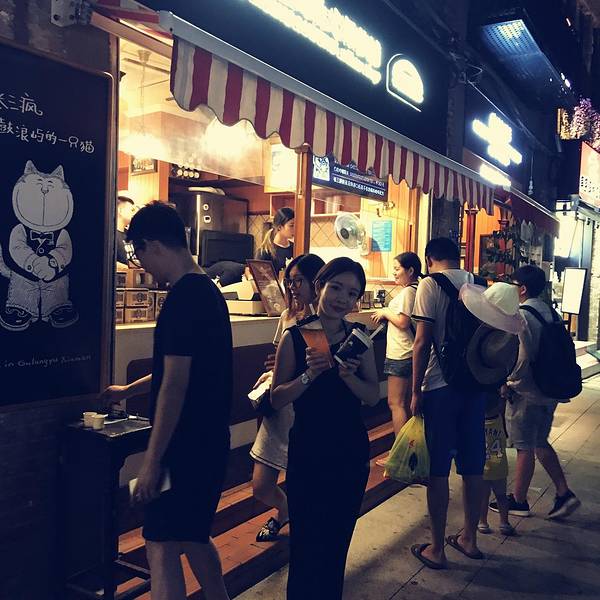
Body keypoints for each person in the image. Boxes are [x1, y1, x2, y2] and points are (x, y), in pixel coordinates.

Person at [100, 202, 231, 600]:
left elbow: (175, 385)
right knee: (192, 536)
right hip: (210, 442)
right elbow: (178, 370)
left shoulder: (182, 299)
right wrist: (128, 391)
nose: (141, 264)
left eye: (139, 253)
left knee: (159, 544)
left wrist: (152, 461)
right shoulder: (208, 291)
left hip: (183, 447)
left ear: (153, 245)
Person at [271, 258, 379, 599]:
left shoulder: (358, 339)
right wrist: (309, 375)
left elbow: (372, 396)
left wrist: (347, 376)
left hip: (349, 454)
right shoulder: (298, 336)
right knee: (305, 547)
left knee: (335, 547)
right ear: (319, 286)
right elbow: (276, 398)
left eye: (352, 293)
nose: (342, 299)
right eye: (336, 288)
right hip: (309, 453)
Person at [410, 237, 487, 570]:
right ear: (458, 256)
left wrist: (415, 390)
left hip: (440, 388)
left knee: (438, 469)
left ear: (429, 259)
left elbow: (421, 342)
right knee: (473, 466)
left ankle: (437, 548)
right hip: (475, 386)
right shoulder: (479, 284)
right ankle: (470, 538)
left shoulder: (430, 285)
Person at [491, 265, 581, 519]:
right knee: (539, 441)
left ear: (522, 289)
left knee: (524, 446)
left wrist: (510, 383)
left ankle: (519, 501)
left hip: (527, 392)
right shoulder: (549, 312)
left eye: (513, 284)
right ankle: (564, 492)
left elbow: (521, 358)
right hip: (549, 389)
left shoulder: (522, 315)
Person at [250, 253, 325, 542]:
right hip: (279, 407)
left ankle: (299, 522)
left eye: (299, 281)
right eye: (290, 281)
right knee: (260, 485)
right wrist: (271, 373)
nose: (293, 287)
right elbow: (279, 361)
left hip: (307, 411)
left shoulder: (325, 321)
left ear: (316, 282)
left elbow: (321, 369)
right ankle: (287, 510)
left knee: (306, 482)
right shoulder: (287, 317)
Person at [372, 252, 421, 443]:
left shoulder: (408, 292)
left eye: (397, 269)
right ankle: (411, 447)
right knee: (407, 403)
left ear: (410, 270)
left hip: (401, 353)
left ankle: (401, 450)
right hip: (411, 352)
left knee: (395, 403)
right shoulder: (418, 289)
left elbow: (402, 321)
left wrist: (385, 312)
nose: (394, 273)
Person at [478, 390, 515, 536]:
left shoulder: (476, 424)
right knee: (501, 496)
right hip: (499, 466)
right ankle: (504, 523)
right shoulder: (500, 421)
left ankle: (482, 522)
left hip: (483, 466)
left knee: (483, 496)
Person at [256, 207, 295, 275]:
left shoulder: (295, 247)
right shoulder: (265, 251)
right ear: (279, 227)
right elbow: (258, 276)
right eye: (291, 225)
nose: (295, 229)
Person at [116, 195, 136, 265]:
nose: (134, 213)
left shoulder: (130, 234)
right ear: (120, 210)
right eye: (132, 210)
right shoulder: (111, 235)